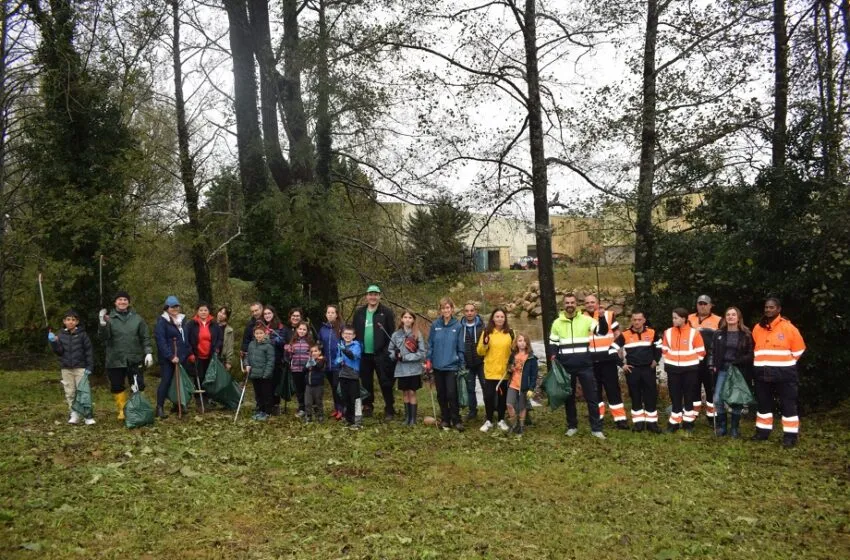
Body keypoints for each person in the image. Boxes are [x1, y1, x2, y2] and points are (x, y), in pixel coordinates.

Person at [548, 292, 605, 439]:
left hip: (585, 365)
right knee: (569, 398)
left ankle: (596, 428)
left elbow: (602, 332)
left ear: (576, 304)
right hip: (566, 366)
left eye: (572, 303)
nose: (570, 305)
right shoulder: (556, 323)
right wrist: (553, 356)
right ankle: (572, 426)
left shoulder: (586, 320)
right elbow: (553, 343)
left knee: (592, 397)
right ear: (563, 305)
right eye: (567, 303)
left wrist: (602, 317)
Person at [751, 297, 805, 447]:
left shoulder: (788, 328)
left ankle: (790, 436)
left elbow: (799, 349)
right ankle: (762, 432)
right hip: (762, 372)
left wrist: (786, 363)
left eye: (772, 307)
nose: (768, 309)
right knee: (763, 404)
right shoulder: (757, 328)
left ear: (779, 309)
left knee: (788, 404)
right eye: (766, 307)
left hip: (784, 373)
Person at [99, 291, 153, 420]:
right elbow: (103, 338)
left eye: (125, 300)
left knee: (138, 385)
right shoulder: (108, 318)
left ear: (128, 302)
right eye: (120, 300)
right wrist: (102, 324)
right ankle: (122, 410)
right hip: (115, 359)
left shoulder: (137, 318)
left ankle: (137, 408)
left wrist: (148, 352)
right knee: (117, 385)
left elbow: (145, 337)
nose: (122, 302)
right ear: (115, 302)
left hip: (134, 358)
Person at [610, 310, 661, 432]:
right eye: (634, 320)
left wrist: (656, 360)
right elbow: (611, 350)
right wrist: (622, 365)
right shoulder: (625, 334)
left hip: (648, 369)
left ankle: (652, 424)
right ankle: (638, 424)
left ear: (644, 320)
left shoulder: (652, 332)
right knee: (635, 396)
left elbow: (659, 347)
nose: (637, 322)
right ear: (631, 321)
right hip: (633, 370)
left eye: (639, 320)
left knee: (651, 396)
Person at [583, 294, 628, 429]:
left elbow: (617, 333)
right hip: (591, 361)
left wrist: (618, 349)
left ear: (597, 303)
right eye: (587, 303)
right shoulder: (581, 318)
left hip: (608, 359)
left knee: (613, 389)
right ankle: (598, 417)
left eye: (593, 302)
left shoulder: (608, 315)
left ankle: (620, 419)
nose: (590, 304)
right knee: (594, 391)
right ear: (584, 305)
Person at [710, 307, 754, 438]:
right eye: (728, 314)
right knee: (717, 398)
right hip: (722, 369)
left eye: (733, 315)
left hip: (738, 370)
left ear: (738, 317)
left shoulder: (746, 334)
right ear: (725, 318)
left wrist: (738, 361)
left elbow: (751, 354)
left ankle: (734, 428)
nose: (730, 317)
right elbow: (712, 351)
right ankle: (722, 426)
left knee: (737, 400)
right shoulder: (718, 334)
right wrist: (711, 364)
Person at [353, 285, 396, 419]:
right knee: (366, 382)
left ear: (379, 296)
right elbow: (354, 332)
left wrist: (386, 351)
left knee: (385, 381)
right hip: (364, 354)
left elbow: (391, 334)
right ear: (366, 296)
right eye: (370, 294)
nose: (373, 297)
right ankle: (367, 406)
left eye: (375, 294)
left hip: (381, 353)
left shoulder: (386, 312)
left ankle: (389, 408)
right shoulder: (359, 313)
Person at [662, 308, 706, 433]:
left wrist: (691, 362)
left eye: (676, 317)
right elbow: (664, 350)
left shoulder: (694, 333)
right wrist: (671, 361)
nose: (673, 320)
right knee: (675, 396)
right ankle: (674, 423)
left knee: (688, 396)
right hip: (673, 370)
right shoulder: (668, 332)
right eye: (673, 317)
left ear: (684, 318)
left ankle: (688, 423)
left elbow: (701, 352)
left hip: (690, 370)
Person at [48, 309, 96, 425]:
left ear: (77, 322)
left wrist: (89, 366)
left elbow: (89, 351)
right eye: (68, 320)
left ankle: (87, 416)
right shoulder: (61, 335)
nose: (70, 322)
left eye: (73, 320)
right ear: (64, 321)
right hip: (66, 368)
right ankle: (74, 414)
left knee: (84, 392)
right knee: (70, 392)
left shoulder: (83, 335)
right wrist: (54, 342)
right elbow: (59, 352)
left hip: (80, 368)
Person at [425, 297, 465, 431]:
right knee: (441, 394)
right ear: (440, 310)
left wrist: (461, 363)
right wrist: (429, 360)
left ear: (452, 309)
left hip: (452, 366)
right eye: (443, 308)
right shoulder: (435, 325)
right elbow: (430, 344)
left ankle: (456, 419)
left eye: (448, 308)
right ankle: (445, 419)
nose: (446, 310)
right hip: (437, 366)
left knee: (452, 393)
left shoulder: (458, 326)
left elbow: (461, 347)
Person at [154, 296, 193, 418]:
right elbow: (161, 341)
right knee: (166, 381)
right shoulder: (162, 322)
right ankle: (159, 407)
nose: (175, 309)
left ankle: (178, 405)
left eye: (176, 306)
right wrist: (170, 356)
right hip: (168, 359)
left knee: (179, 382)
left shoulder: (183, 320)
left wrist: (188, 352)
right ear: (167, 308)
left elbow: (185, 338)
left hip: (182, 357)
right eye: (172, 307)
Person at [476, 308, 514, 433]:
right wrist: (485, 344)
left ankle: (501, 419)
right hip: (490, 371)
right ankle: (489, 420)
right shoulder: (487, 332)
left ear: (505, 318)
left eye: (502, 316)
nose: (499, 319)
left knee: (502, 397)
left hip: (504, 372)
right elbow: (480, 351)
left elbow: (514, 351)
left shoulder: (510, 333)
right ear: (493, 318)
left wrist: (513, 364)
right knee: (488, 396)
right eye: (497, 316)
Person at [388, 310, 426, 427]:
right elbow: (390, 351)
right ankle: (407, 417)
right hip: (401, 370)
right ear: (401, 319)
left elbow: (422, 353)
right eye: (405, 317)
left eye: (410, 317)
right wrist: (395, 354)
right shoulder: (396, 335)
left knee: (412, 392)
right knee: (405, 393)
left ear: (413, 320)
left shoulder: (417, 334)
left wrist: (406, 357)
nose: (408, 319)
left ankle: (413, 419)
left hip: (414, 369)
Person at [688, 295, 721, 424]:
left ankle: (712, 416)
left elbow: (722, 340)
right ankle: (693, 414)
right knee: (693, 386)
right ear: (696, 305)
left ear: (710, 305)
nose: (702, 306)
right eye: (700, 303)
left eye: (705, 304)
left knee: (710, 387)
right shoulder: (689, 318)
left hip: (710, 359)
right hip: (693, 359)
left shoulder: (718, 320)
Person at [185, 302, 223, 411]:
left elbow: (220, 339)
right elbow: (186, 340)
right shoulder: (191, 324)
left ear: (209, 311)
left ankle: (207, 401)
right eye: (201, 310)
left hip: (210, 356)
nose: (203, 312)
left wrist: (217, 348)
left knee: (208, 378)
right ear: (197, 311)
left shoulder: (214, 324)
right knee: (199, 378)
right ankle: (199, 402)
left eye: (205, 310)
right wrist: (190, 353)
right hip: (196, 356)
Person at [506, 333, 537, 435]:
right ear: (516, 343)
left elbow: (534, 375)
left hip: (524, 386)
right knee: (509, 404)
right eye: (520, 341)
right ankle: (514, 424)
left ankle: (522, 426)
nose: (522, 343)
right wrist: (511, 368)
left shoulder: (532, 358)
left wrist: (531, 388)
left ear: (527, 343)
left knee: (522, 407)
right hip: (513, 384)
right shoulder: (513, 355)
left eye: (524, 341)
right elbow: (509, 368)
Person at [460, 301, 486, 421]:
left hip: (481, 362)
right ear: (464, 313)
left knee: (485, 387)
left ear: (476, 312)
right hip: (467, 363)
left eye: (472, 310)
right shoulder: (460, 327)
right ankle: (472, 411)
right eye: (467, 311)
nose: (469, 313)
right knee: (470, 388)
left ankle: (489, 411)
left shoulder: (483, 326)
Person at [319, 305, 344, 420]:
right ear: (326, 314)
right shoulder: (323, 328)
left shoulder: (342, 327)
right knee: (333, 387)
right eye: (328, 312)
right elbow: (320, 344)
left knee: (338, 386)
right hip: (327, 364)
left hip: (338, 363)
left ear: (336, 314)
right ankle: (336, 408)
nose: (330, 314)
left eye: (332, 312)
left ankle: (342, 409)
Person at [246, 324, 275, 421]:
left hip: (264, 375)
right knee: (258, 394)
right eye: (257, 333)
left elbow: (271, 361)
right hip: (254, 374)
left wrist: (266, 374)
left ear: (265, 333)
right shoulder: (251, 344)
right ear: (254, 334)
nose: (259, 335)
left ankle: (267, 412)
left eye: (261, 333)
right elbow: (247, 357)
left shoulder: (268, 346)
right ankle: (260, 410)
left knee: (266, 394)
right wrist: (247, 365)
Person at [336, 325, 363, 429]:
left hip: (353, 376)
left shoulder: (356, 345)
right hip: (343, 375)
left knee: (355, 399)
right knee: (345, 398)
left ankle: (358, 421)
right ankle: (348, 419)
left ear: (354, 336)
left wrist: (344, 351)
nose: (347, 335)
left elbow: (353, 356)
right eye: (345, 333)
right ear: (342, 335)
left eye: (350, 334)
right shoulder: (340, 345)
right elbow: (336, 359)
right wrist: (338, 361)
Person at [261, 306, 286, 415]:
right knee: (266, 384)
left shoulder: (280, 327)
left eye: (269, 313)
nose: (267, 315)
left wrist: (274, 339)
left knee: (275, 383)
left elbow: (283, 342)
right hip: (263, 360)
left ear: (273, 314)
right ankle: (266, 405)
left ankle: (276, 405)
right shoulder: (261, 326)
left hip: (276, 359)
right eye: (265, 314)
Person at [285, 321, 313, 417]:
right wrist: (288, 351)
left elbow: (313, 355)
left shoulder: (310, 342)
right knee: (299, 390)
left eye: (304, 329)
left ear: (307, 331)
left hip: (307, 369)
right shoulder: (293, 342)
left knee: (307, 389)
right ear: (297, 330)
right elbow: (289, 356)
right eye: (300, 329)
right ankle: (301, 408)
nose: (302, 331)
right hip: (296, 369)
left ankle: (308, 408)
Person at [303, 344, 326, 423]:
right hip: (308, 385)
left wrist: (314, 363)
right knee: (307, 402)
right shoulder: (309, 360)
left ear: (319, 352)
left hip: (318, 386)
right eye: (312, 351)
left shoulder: (322, 360)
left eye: (315, 351)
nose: (313, 353)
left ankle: (320, 415)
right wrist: (306, 367)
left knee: (318, 401)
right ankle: (308, 416)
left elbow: (319, 367)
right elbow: (304, 370)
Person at [216, 306, 234, 372]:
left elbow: (230, 346)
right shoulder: (211, 325)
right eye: (220, 312)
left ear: (226, 317)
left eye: (224, 314)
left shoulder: (229, 330)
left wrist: (228, 362)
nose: (221, 314)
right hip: (209, 357)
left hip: (221, 359)